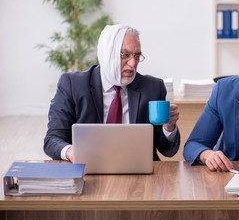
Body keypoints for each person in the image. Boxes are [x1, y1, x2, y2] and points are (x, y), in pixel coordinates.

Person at [44, 24, 180, 162]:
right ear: (107, 53)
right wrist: (72, 152)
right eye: (125, 55)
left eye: (137, 56)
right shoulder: (73, 84)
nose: (133, 63)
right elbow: (52, 139)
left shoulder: (152, 87)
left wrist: (169, 127)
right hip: (89, 168)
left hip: (139, 170)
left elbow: (167, 150)